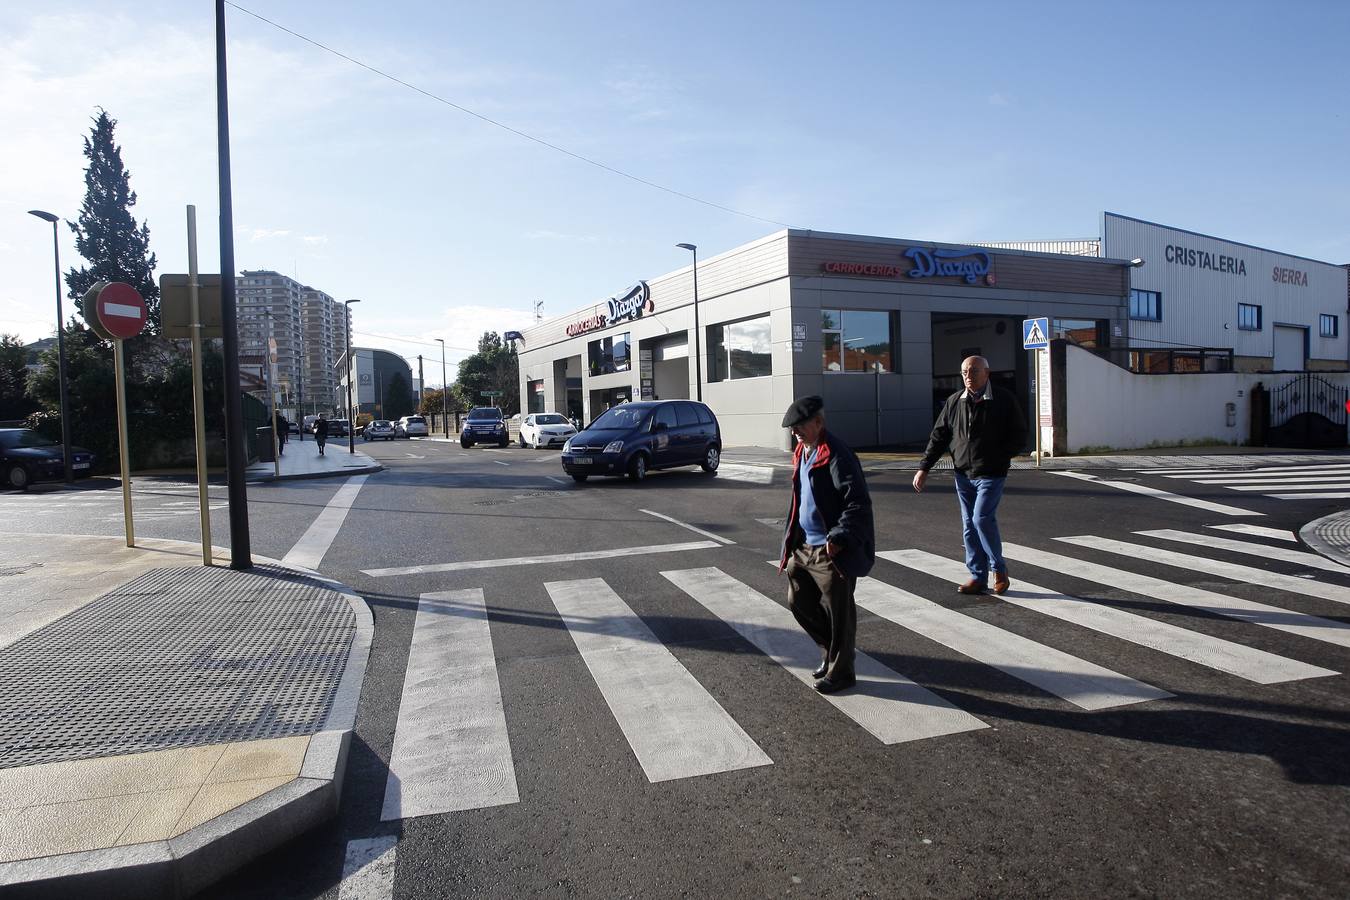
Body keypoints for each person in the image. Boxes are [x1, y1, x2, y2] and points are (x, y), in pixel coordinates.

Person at [778, 396, 874, 694]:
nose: (795, 432)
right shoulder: (803, 450)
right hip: (804, 545)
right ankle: (833, 653)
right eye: (793, 428)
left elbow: (857, 502)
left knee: (840, 613)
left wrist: (839, 537)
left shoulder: (836, 455)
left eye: (800, 426)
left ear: (819, 423)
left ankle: (842, 672)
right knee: (798, 602)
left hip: (831, 549)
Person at [913, 356, 1028, 596]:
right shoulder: (955, 401)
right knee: (969, 525)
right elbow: (939, 436)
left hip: (991, 472)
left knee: (981, 519)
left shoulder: (1004, 399)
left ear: (987, 372)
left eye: (973, 371)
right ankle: (978, 577)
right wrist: (924, 467)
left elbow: (1018, 434)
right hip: (963, 473)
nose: (968, 375)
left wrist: (1000, 456)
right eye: (964, 371)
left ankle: (999, 569)